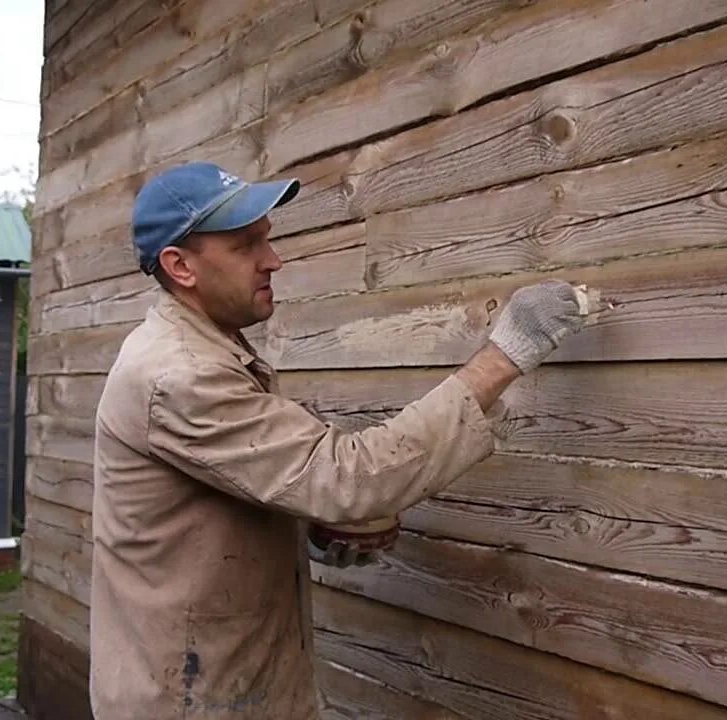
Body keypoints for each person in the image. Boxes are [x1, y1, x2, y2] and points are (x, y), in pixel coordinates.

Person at [88, 161, 586, 719]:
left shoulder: (201, 353)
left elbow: (233, 487)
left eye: (267, 241)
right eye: (246, 245)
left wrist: (307, 527)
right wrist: (504, 357)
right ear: (181, 266)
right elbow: (345, 477)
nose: (272, 260)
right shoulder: (178, 375)